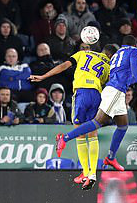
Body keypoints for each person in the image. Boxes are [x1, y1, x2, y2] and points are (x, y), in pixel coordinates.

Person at [55, 36, 137, 189]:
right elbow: (134, 65)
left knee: (122, 125)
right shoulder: (133, 51)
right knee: (97, 122)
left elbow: (124, 78)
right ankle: (65, 138)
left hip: (116, 91)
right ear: (134, 45)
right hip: (114, 91)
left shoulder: (116, 58)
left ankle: (110, 158)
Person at [31, 44, 117, 187]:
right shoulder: (108, 66)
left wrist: (43, 76)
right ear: (111, 56)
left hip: (82, 93)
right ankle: (92, 174)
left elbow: (64, 66)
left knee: (80, 135)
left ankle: (85, 171)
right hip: (96, 94)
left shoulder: (83, 54)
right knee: (93, 134)